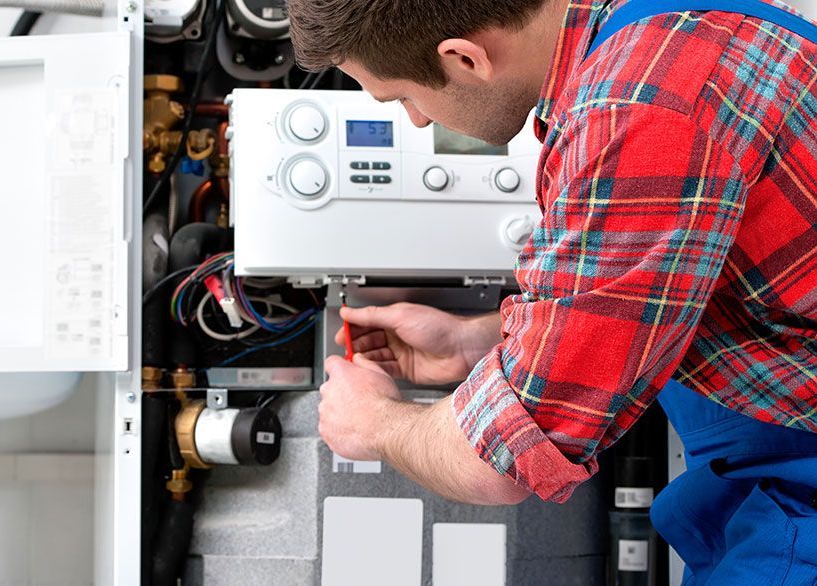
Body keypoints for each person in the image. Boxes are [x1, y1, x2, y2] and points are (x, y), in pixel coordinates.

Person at [287, 0, 817, 583]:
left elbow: (501, 465)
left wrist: (376, 424)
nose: (416, 121)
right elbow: (660, 286)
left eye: (402, 98)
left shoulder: (636, 114)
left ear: (464, 57)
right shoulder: (651, 34)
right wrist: (479, 342)